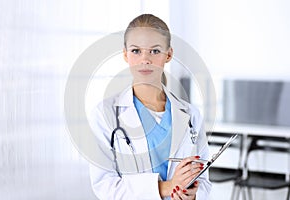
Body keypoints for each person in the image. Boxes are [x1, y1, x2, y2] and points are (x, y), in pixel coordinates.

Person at [89, 14, 211, 200]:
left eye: (154, 51)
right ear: (125, 54)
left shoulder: (191, 115)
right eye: (136, 51)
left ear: (168, 54)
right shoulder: (105, 114)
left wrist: (192, 195)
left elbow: (204, 183)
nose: (145, 59)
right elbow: (104, 185)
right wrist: (166, 187)